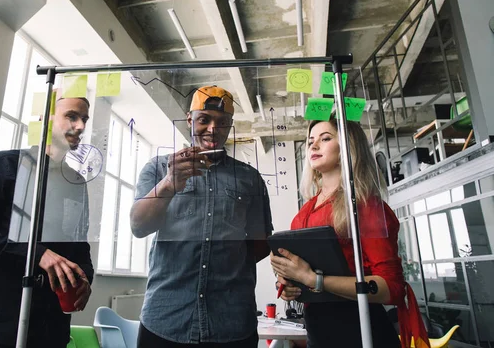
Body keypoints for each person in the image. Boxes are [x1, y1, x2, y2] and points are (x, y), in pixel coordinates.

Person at [130, 86, 273, 347]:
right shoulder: (159, 168)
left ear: (230, 126)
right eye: (204, 119)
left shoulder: (250, 178)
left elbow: (261, 244)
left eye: (222, 122)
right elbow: (138, 226)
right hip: (166, 318)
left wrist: (227, 262)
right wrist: (169, 183)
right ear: (189, 120)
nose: (212, 129)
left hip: (231, 321)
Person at [270, 117, 429, 348]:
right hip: (318, 331)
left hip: (359, 330)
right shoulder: (303, 213)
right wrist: (288, 283)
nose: (314, 146)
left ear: (348, 146)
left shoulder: (366, 206)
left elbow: (391, 287)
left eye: (325, 139)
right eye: (311, 141)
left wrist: (313, 279)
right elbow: (302, 274)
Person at [0, 95, 94, 348]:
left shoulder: (76, 183)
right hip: (1, 326)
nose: (81, 126)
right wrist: (36, 254)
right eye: (71, 116)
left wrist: (85, 279)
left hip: (52, 330)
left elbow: (79, 246)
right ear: (46, 120)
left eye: (84, 119)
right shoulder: (6, 165)